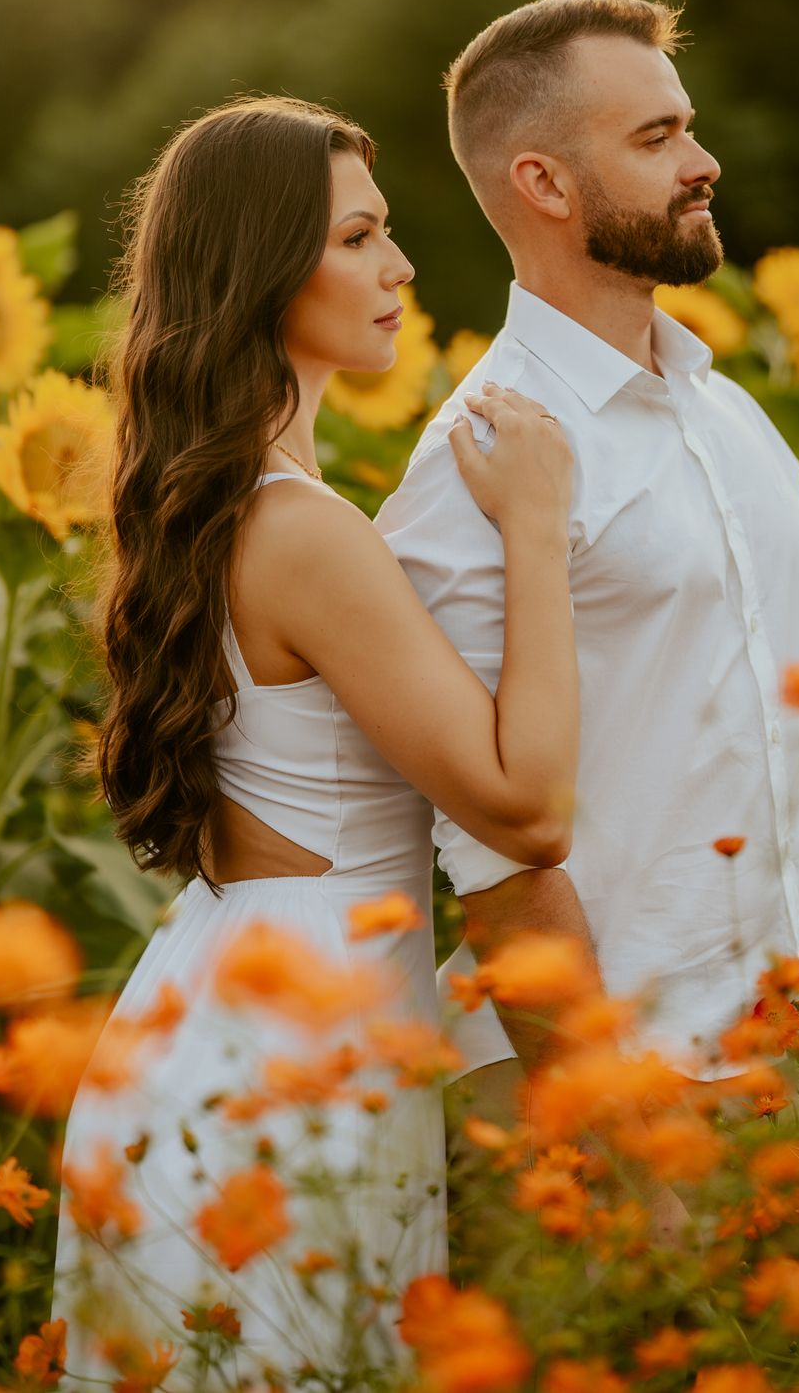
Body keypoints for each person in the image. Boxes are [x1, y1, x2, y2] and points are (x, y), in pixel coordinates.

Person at [52, 96, 577, 1379]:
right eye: (359, 237)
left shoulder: (217, 506)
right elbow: (525, 805)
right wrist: (535, 531)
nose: (399, 267)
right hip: (299, 1043)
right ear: (264, 269)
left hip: (211, 1002)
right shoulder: (302, 530)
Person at [375, 0, 799, 1222]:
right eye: (656, 139)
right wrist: (612, 1130)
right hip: (620, 1094)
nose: (705, 163)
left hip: (794, 1061)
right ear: (545, 182)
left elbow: (779, 735)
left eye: (687, 129)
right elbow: (493, 848)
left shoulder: (734, 421)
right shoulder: (479, 464)